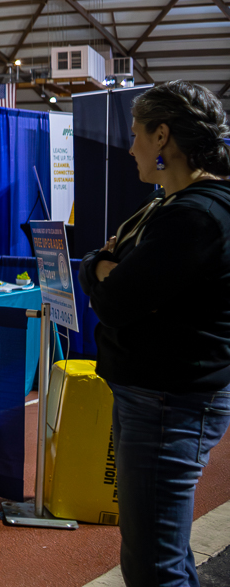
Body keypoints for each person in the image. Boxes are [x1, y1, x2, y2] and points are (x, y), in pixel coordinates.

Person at [78, 81, 230, 587]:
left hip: (169, 401)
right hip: (156, 396)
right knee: (161, 552)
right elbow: (104, 266)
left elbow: (114, 302)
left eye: (136, 134)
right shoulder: (170, 204)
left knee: (153, 567)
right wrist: (103, 268)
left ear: (162, 136)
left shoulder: (195, 216)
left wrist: (104, 270)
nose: (130, 148)